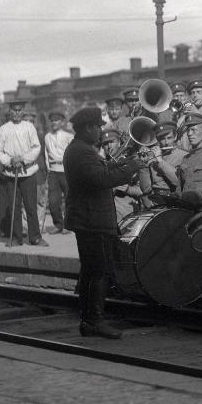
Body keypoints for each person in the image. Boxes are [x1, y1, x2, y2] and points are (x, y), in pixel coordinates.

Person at [64, 107, 144, 339]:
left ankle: (89, 321)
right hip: (93, 221)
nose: (101, 131)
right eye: (98, 127)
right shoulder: (82, 152)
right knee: (99, 272)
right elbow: (102, 178)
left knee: (90, 271)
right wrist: (132, 167)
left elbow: (103, 168)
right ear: (88, 128)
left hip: (88, 220)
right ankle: (94, 322)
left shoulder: (79, 149)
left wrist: (125, 162)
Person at [0, 100, 47, 246]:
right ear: (10, 112)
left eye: (19, 110)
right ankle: (17, 237)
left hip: (28, 172)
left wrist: (23, 159)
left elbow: (36, 147)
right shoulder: (4, 129)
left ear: (22, 111)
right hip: (11, 174)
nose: (16, 113)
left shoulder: (29, 127)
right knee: (14, 206)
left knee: (30, 206)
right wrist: (10, 161)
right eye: (14, 110)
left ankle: (35, 237)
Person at [138, 121, 185, 199]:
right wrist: (144, 165)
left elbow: (178, 182)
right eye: (162, 139)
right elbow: (145, 189)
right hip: (155, 201)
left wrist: (160, 160)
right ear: (157, 139)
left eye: (169, 138)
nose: (166, 142)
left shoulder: (184, 156)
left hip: (175, 200)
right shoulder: (152, 157)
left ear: (175, 136)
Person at [44, 111, 73, 234]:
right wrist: (48, 169)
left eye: (57, 120)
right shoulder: (47, 137)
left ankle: (68, 225)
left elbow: (72, 153)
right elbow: (46, 154)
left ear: (62, 122)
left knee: (69, 199)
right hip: (53, 172)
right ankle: (58, 224)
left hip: (65, 171)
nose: (54, 123)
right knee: (53, 201)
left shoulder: (68, 136)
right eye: (52, 121)